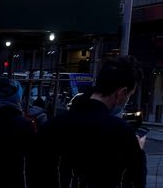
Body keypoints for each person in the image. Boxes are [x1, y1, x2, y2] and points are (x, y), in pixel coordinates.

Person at [28, 56, 146, 187]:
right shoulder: (121, 132)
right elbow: (135, 181)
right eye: (129, 95)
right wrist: (138, 153)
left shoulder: (51, 126)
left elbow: (35, 174)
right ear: (122, 92)